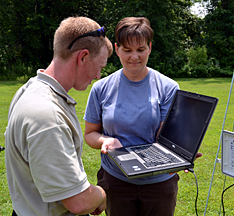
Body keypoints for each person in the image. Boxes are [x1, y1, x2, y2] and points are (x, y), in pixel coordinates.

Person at [84, 17, 201, 216]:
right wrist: (106, 140)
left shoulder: (168, 87)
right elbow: (90, 134)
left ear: (150, 47)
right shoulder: (101, 88)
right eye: (127, 50)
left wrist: (180, 154)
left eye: (140, 49)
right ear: (117, 48)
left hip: (159, 183)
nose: (134, 57)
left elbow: (164, 138)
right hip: (116, 180)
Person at [5, 16, 113, 216]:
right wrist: (100, 194)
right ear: (83, 57)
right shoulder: (47, 115)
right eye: (100, 67)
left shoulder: (30, 89)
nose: (98, 76)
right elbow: (78, 201)